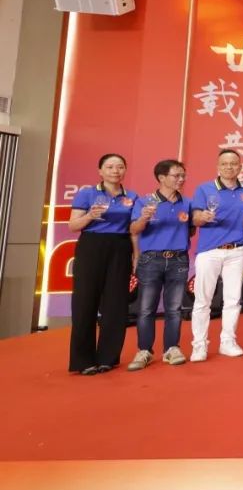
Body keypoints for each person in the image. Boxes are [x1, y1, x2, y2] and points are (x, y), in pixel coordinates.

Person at [67, 153, 137, 375]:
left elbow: (134, 230)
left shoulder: (132, 196)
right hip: (92, 246)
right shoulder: (87, 193)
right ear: (100, 171)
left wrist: (136, 255)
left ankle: (108, 357)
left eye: (120, 167)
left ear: (125, 170)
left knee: (116, 303)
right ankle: (83, 360)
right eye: (110, 167)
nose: (115, 171)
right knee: (85, 301)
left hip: (120, 247)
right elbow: (73, 225)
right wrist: (90, 216)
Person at [190, 149, 243, 362]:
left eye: (233, 163)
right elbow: (195, 219)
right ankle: (199, 345)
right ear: (218, 167)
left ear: (240, 167)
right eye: (225, 164)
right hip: (209, 251)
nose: (229, 167)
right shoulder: (204, 189)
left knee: (233, 299)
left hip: (237, 250)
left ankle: (227, 341)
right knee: (203, 300)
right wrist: (202, 217)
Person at [127, 159, 191, 370]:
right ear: (161, 178)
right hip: (151, 259)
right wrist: (144, 219)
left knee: (174, 308)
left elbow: (191, 229)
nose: (181, 179)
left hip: (179, 259)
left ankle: (171, 348)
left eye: (183, 175)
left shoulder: (187, 203)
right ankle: (144, 350)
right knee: (146, 309)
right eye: (176, 175)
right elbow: (134, 230)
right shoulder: (145, 202)